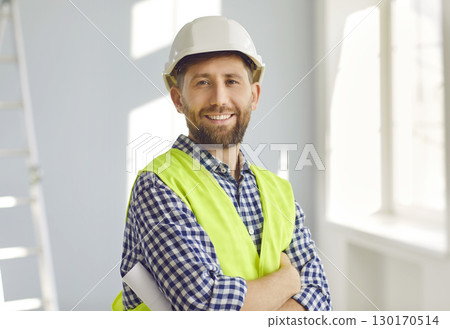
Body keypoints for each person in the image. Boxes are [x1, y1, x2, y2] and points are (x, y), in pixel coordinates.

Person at [113, 16, 331, 311]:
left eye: (232, 81)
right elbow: (204, 305)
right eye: (203, 82)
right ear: (178, 99)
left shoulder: (279, 192)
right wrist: (287, 281)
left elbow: (318, 295)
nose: (219, 98)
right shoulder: (158, 184)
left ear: (253, 96)